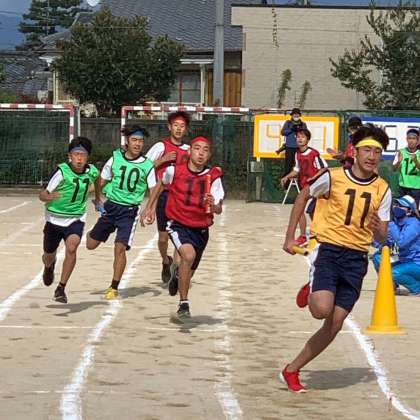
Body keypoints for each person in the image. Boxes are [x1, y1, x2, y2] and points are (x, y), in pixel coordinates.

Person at [281, 125, 392, 393]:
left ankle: (291, 370)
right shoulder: (332, 177)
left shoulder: (383, 189)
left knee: (335, 323)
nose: (372, 156)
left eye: (377, 152)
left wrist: (377, 228)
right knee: (321, 309)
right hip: (329, 250)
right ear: (355, 152)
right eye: (367, 150)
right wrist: (290, 236)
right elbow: (303, 197)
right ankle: (312, 288)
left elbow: (382, 236)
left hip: (357, 259)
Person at [141, 136, 224, 319]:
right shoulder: (174, 171)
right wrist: (150, 207)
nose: (200, 153)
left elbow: (218, 208)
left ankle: (177, 276)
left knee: (188, 271)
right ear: (189, 151)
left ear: (209, 155)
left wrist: (214, 205)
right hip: (178, 223)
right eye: (197, 148)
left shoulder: (213, 176)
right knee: (188, 255)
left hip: (201, 228)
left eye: (205, 150)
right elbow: (161, 184)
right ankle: (184, 303)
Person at [86, 125, 156, 300]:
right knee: (90, 244)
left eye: (141, 141)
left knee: (120, 248)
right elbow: (102, 181)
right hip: (110, 207)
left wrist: (149, 208)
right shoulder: (115, 158)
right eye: (134, 140)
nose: (138, 144)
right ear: (127, 141)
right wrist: (88, 194)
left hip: (129, 212)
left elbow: (155, 188)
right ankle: (92, 233)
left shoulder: (147, 165)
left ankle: (114, 286)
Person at [39, 137, 100, 303]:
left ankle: (61, 288)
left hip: (75, 218)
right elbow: (43, 194)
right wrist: (48, 196)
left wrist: (98, 198)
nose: (79, 158)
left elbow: (97, 179)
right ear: (69, 156)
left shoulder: (92, 171)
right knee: (48, 255)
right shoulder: (61, 172)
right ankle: (49, 266)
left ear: (88, 157)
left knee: (72, 247)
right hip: (54, 219)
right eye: (76, 154)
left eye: (83, 155)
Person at [145, 111, 191, 283]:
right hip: (163, 195)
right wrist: (162, 160)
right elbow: (144, 166)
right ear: (169, 127)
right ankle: (166, 260)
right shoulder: (160, 146)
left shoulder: (188, 150)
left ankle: (177, 269)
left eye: (182, 126)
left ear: (186, 129)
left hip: (180, 197)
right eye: (176, 125)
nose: (179, 129)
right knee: (163, 238)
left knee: (179, 235)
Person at [280, 128, 327, 245]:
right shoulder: (297, 154)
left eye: (302, 137)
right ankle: (303, 236)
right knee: (300, 210)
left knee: (313, 211)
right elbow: (297, 170)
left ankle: (320, 234)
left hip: (316, 186)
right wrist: (287, 176)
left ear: (308, 140)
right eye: (298, 137)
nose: (300, 139)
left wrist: (314, 178)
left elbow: (323, 168)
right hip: (305, 186)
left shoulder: (313, 153)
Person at [372, 195, 420, 295]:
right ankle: (391, 286)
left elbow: (401, 243)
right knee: (378, 257)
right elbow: (388, 244)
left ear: (409, 211)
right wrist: (371, 239)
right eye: (396, 204)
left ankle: (417, 288)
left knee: (392, 273)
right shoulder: (396, 222)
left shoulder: (414, 224)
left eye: (401, 206)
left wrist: (390, 223)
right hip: (401, 259)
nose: (397, 207)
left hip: (415, 263)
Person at [393, 128, 420, 209]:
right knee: (402, 211)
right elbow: (394, 169)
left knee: (413, 211)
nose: (411, 141)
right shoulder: (401, 152)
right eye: (409, 138)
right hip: (402, 187)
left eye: (414, 138)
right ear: (406, 139)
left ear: (417, 141)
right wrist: (399, 162)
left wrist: (416, 161)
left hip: (415, 188)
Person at [280, 108, 307, 179]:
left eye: (297, 115)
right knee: (288, 165)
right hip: (290, 147)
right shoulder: (288, 123)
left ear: (299, 115)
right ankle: (286, 182)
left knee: (301, 165)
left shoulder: (303, 124)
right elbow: (283, 132)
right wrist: (291, 129)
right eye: (294, 114)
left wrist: (300, 130)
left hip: (300, 147)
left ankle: (301, 182)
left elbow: (306, 134)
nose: (296, 116)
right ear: (292, 115)